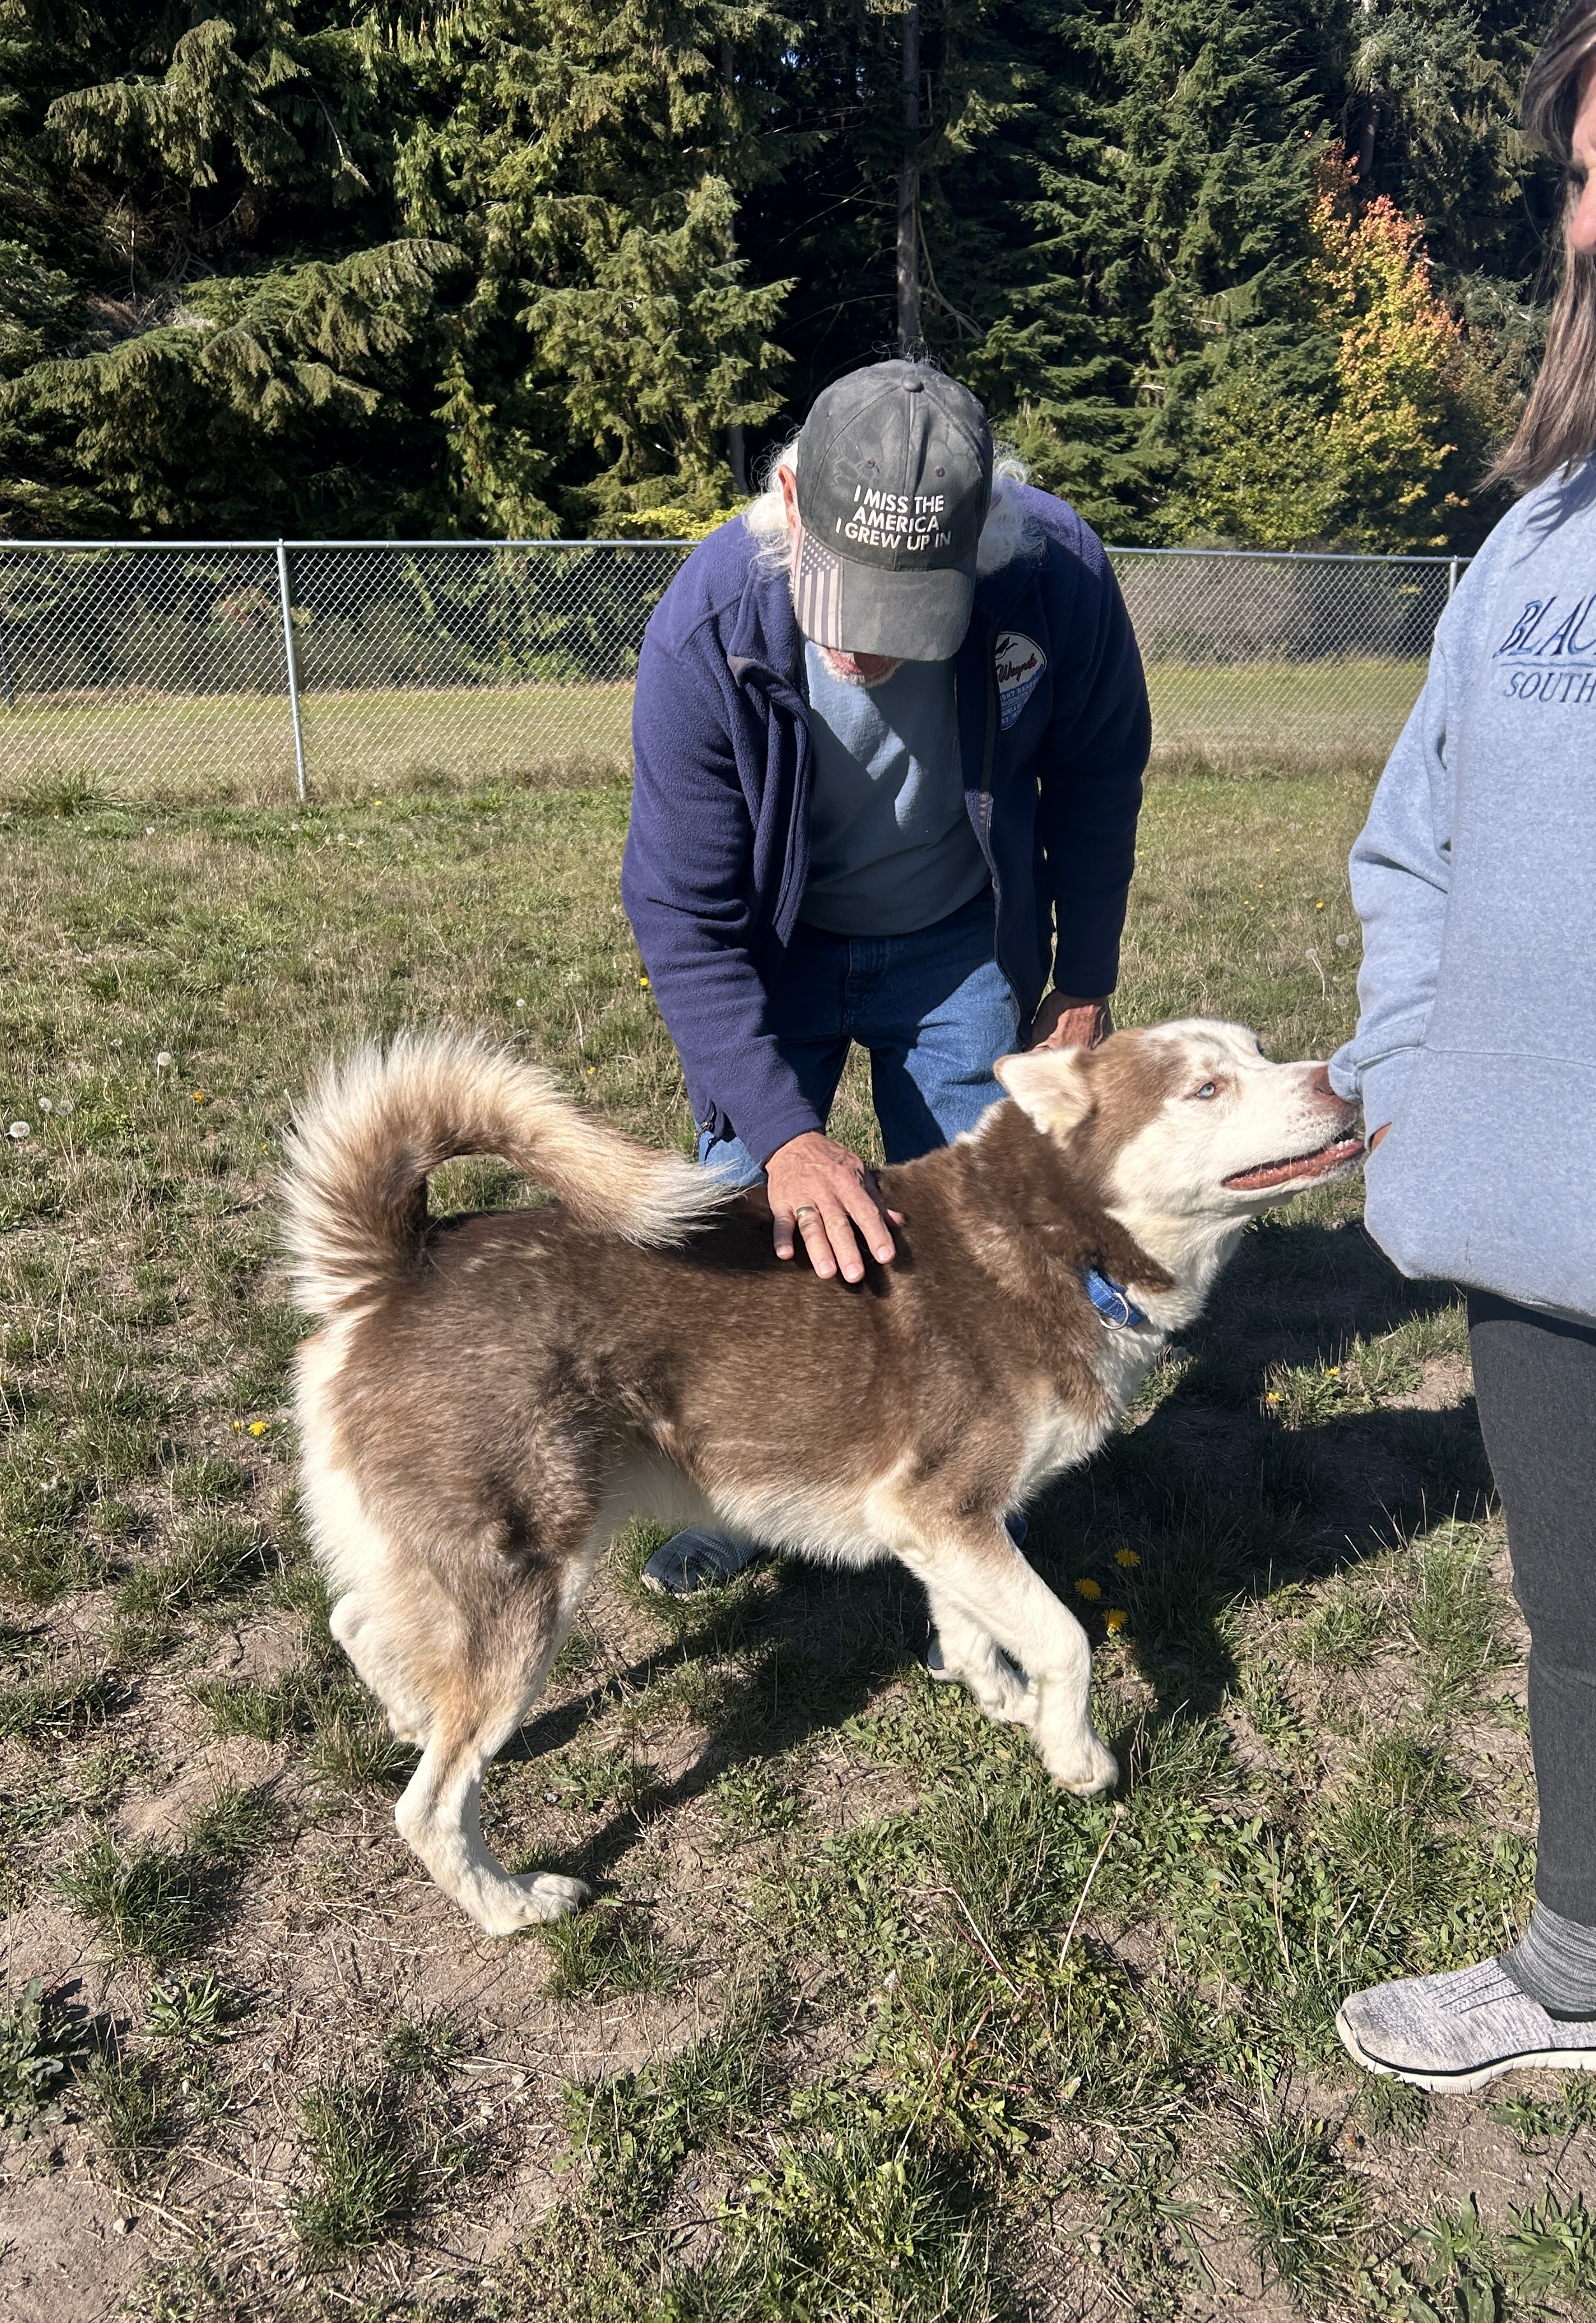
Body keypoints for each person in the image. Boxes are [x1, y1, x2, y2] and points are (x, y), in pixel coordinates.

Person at [621, 361, 1151, 1594]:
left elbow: (1096, 776)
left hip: (958, 939)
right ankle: (733, 1494)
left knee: (988, 1224)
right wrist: (784, 1134)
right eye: (840, 600)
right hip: (778, 945)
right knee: (738, 1227)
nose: (861, 647)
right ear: (790, 499)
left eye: (904, 612)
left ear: (985, 546)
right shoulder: (708, 624)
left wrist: (1083, 969)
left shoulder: (1052, 575)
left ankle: (973, 1496)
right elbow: (683, 912)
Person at [1330, 4, 1596, 2092]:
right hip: (1534, 1232)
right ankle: (1579, 1969)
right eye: (1590, 183)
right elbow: (1407, 837)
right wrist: (1414, 1075)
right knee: (1578, 1620)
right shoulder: (1524, 542)